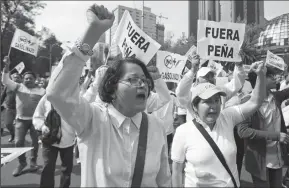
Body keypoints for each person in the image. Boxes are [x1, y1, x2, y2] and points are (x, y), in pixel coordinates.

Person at [45, 4, 171, 187]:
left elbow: (163, 180)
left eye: (144, 80)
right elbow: (57, 93)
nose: (142, 84)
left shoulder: (156, 126)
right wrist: (93, 33)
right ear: (112, 87)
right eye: (133, 79)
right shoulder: (92, 120)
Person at [171, 61, 267, 187]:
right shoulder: (183, 131)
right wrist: (192, 70)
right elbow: (177, 171)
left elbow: (255, 102)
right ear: (194, 106)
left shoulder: (227, 117)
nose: (214, 106)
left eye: (217, 101)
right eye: (207, 101)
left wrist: (261, 75)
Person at [236, 67, 289, 188]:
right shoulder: (247, 101)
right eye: (270, 76)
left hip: (277, 158)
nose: (275, 78)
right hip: (259, 160)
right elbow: (243, 131)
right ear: (260, 79)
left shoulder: (275, 97)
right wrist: (276, 136)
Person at [2, 58, 46, 176]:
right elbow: (5, 81)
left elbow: (46, 105)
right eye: (25, 78)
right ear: (23, 79)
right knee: (18, 142)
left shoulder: (42, 91)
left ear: (35, 80)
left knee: (35, 143)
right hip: (21, 120)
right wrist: (6, 67)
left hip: (35, 122)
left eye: (30, 79)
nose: (27, 80)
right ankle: (22, 163)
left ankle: (33, 162)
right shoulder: (18, 87)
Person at [176, 56, 246, 122]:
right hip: (197, 133)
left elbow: (237, 84)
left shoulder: (220, 91)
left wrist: (239, 66)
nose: (210, 79)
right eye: (206, 76)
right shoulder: (191, 93)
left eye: (212, 76)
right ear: (197, 80)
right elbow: (180, 92)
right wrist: (193, 71)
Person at [33, 95, 76, 188]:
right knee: (47, 168)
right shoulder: (46, 98)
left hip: (68, 141)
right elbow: (37, 116)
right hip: (49, 140)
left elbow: (81, 118)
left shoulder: (74, 97)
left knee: (67, 170)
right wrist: (42, 127)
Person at [1, 72, 22, 142]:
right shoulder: (7, 86)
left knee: (20, 125)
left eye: (18, 77)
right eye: (14, 77)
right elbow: (3, 96)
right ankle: (13, 134)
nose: (16, 79)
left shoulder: (22, 87)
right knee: (8, 124)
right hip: (9, 108)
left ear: (21, 79)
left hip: (20, 109)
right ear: (12, 79)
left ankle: (19, 138)